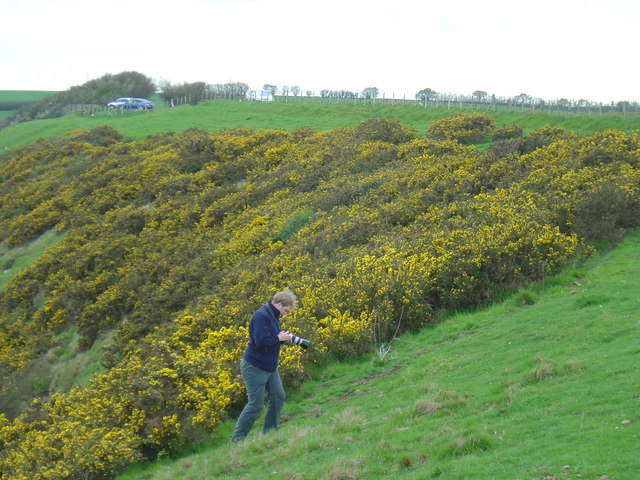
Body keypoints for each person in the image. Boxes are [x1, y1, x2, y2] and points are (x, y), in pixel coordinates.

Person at [230, 290, 297, 442]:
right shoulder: (261, 316)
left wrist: (284, 338)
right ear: (279, 304)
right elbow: (261, 341)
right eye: (285, 310)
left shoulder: (273, 315)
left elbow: (271, 337)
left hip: (269, 367)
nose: (285, 314)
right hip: (254, 367)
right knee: (255, 404)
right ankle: (237, 439)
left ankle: (270, 432)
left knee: (278, 396)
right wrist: (278, 337)